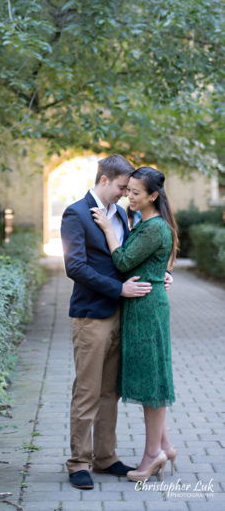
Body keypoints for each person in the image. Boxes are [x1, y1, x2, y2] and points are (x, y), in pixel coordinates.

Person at [60, 154, 153, 490]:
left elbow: (125, 259)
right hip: (91, 316)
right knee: (87, 391)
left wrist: (162, 277)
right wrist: (119, 288)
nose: (125, 193)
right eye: (121, 187)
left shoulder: (123, 216)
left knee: (109, 392)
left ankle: (105, 457)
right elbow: (75, 267)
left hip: (119, 315)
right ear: (104, 180)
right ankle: (78, 462)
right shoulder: (76, 213)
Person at [91, 166, 178, 483]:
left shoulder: (154, 227)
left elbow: (125, 261)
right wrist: (160, 276)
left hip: (146, 309)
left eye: (135, 192)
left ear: (153, 195)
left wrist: (107, 230)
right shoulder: (145, 223)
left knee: (152, 384)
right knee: (149, 379)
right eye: (127, 190)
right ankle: (164, 447)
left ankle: (152, 454)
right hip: (142, 306)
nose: (129, 196)